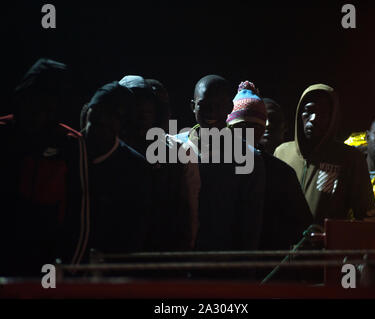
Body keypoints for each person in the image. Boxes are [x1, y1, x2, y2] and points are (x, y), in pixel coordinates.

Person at [0, 58, 89, 276]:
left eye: (50, 102)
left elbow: (78, 211)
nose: (40, 110)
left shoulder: (69, 142)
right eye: (36, 100)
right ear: (22, 97)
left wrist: (70, 268)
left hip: (45, 261)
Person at [174, 75, 266, 253]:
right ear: (192, 106)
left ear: (229, 108)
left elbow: (249, 227)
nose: (211, 111)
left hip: (223, 265)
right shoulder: (175, 149)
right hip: (179, 261)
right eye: (204, 105)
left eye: (219, 105)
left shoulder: (249, 159)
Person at [226, 81, 313, 251]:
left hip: (267, 265)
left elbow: (301, 228)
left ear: (260, 130)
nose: (245, 133)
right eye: (239, 127)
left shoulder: (281, 173)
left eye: (252, 126)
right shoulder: (216, 166)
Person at [274, 84, 375, 223]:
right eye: (308, 111)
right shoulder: (282, 152)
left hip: (326, 244)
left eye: (323, 113)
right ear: (299, 114)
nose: (314, 118)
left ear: (333, 117)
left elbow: (366, 216)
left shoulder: (350, 159)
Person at [118, 75, 195, 251]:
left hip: (162, 248)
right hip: (121, 250)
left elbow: (182, 207)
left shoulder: (172, 152)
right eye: (136, 102)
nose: (143, 108)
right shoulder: (112, 149)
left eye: (147, 104)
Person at [81, 81, 152, 255]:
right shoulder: (67, 150)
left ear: (122, 124)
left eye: (111, 116)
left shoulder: (135, 168)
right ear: (86, 111)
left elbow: (134, 231)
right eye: (97, 112)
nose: (102, 120)